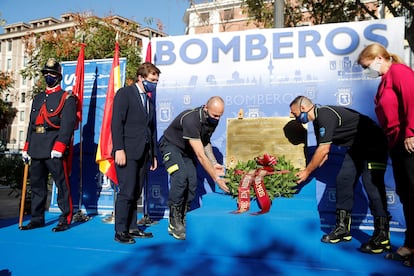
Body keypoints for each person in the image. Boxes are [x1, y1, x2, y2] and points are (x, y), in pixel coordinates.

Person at [289, 95, 390, 253]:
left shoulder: (325, 115)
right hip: (356, 147)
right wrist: (306, 173)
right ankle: (342, 229)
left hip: (374, 144)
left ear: (303, 108)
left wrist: (307, 171)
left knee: (372, 187)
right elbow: (324, 155)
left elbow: (323, 150)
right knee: (343, 180)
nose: (293, 117)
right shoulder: (316, 122)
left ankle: (382, 236)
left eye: (294, 113)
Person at [358, 43, 414, 267]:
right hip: (396, 144)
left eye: (367, 66)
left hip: (409, 140)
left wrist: (411, 132)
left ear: (379, 58)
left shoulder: (399, 72)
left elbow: (412, 100)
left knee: (413, 193)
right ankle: (411, 245)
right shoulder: (383, 82)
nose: (366, 71)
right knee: (407, 195)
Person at [159, 96, 230, 240]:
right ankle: (174, 222)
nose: (217, 119)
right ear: (205, 108)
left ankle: (184, 217)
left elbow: (205, 142)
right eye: (214, 115)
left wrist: (214, 162)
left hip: (186, 151)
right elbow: (200, 155)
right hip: (170, 146)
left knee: (191, 183)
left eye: (220, 116)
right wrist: (216, 178)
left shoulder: (212, 120)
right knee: (180, 178)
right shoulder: (191, 119)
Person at [20, 58, 77, 232]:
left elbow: (67, 125)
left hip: (53, 147)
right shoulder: (38, 98)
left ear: (59, 76)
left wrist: (60, 146)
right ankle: (37, 218)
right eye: (46, 74)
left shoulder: (67, 98)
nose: (49, 77)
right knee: (37, 185)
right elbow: (31, 124)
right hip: (36, 146)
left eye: (52, 74)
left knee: (61, 185)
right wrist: (26, 147)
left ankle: (65, 218)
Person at [111, 62, 160, 244]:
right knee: (126, 192)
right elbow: (117, 122)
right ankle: (120, 231)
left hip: (144, 153)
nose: (154, 83)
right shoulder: (125, 93)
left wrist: (153, 154)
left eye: (156, 80)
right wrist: (119, 149)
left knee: (135, 191)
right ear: (141, 77)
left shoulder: (148, 100)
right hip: (127, 152)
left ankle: (132, 227)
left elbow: (151, 129)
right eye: (152, 79)